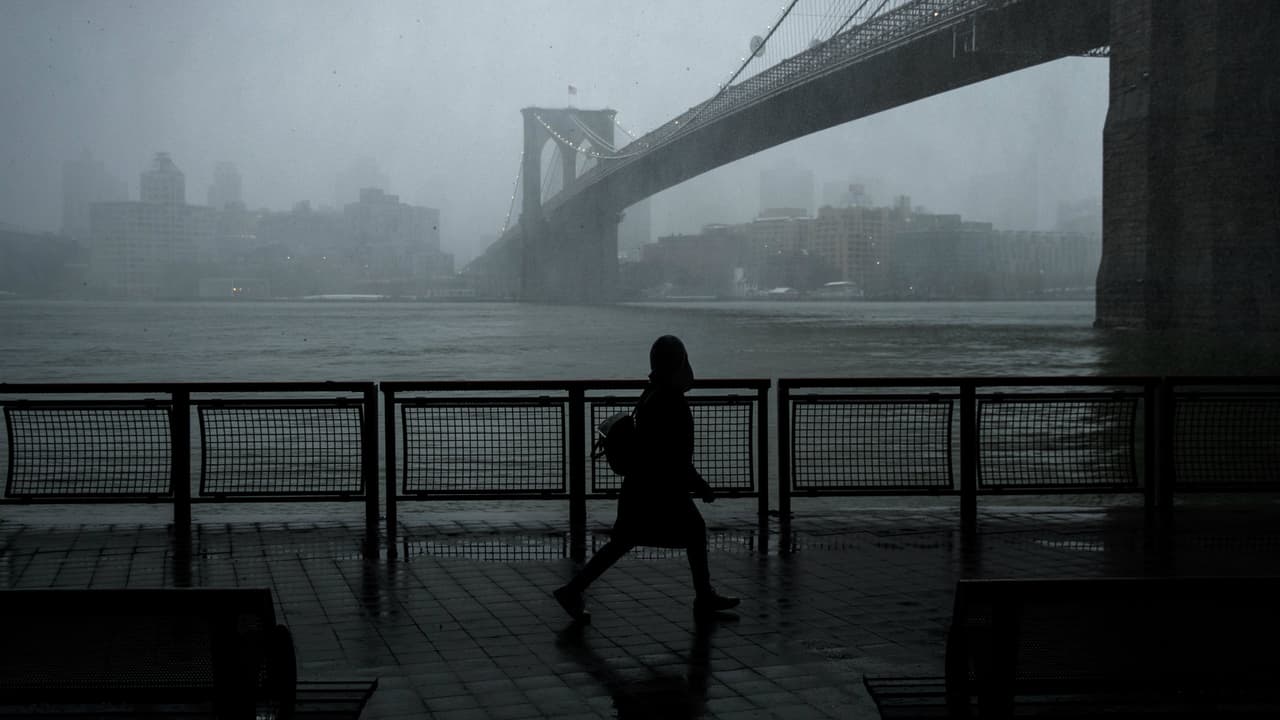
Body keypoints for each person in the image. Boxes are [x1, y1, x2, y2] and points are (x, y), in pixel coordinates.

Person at [553, 335, 739, 621]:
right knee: (690, 532)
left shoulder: (652, 393)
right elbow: (674, 454)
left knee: (624, 541)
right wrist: (699, 484)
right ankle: (704, 596)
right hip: (661, 490)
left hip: (641, 486)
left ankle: (573, 590)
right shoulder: (670, 399)